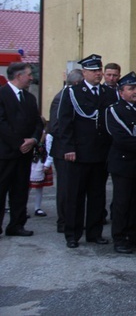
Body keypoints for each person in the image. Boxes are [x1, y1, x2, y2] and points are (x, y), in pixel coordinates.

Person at [56, 54, 118, 248]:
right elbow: (64, 123)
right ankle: (72, 234)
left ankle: (94, 232)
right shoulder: (73, 92)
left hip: (100, 153)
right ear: (84, 73)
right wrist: (68, 148)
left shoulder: (108, 93)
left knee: (97, 195)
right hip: (79, 153)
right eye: (93, 71)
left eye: (99, 70)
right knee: (75, 195)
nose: (98, 74)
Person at [105, 72, 136, 254]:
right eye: (131, 89)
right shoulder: (114, 110)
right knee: (122, 203)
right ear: (121, 92)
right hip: (124, 164)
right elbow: (123, 139)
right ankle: (120, 238)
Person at [0, 62, 44, 237]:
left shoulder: (29, 97)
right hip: (5, 154)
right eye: (28, 74)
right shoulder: (1, 94)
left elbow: (38, 122)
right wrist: (19, 143)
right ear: (19, 76)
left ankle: (16, 225)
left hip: (24, 154)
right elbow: (1, 123)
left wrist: (33, 140)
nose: (31, 77)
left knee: (20, 190)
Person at [47, 69, 83, 233]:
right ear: (76, 83)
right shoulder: (62, 98)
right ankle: (64, 221)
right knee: (66, 189)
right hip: (63, 151)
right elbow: (55, 127)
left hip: (71, 149)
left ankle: (71, 220)